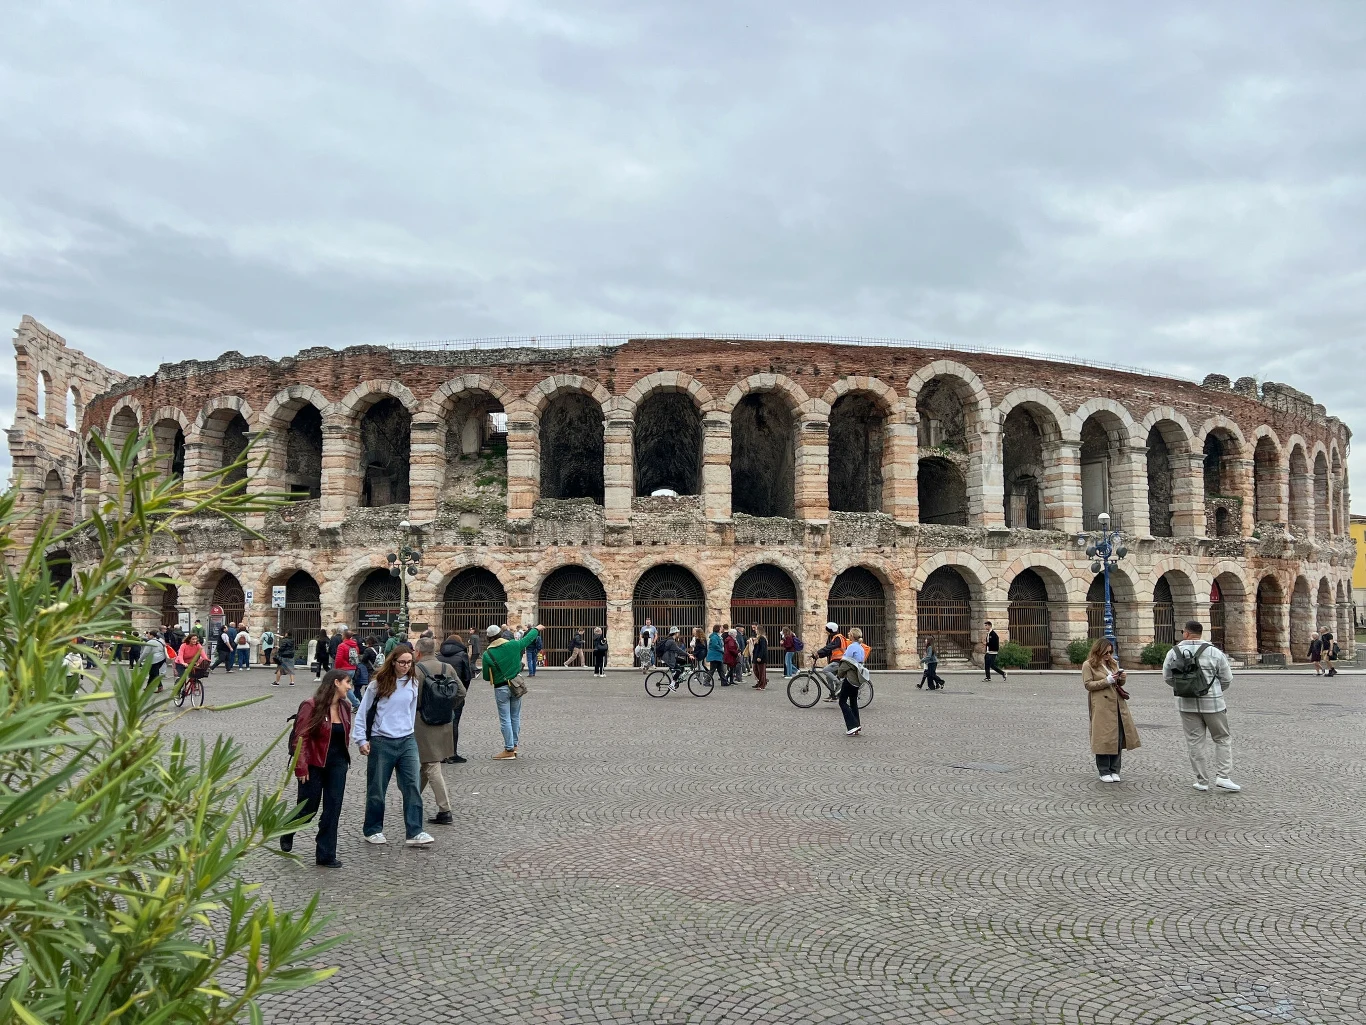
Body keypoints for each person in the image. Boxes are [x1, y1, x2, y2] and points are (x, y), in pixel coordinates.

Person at [351, 644, 433, 847]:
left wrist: (410, 732)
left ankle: (415, 831)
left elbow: (411, 711)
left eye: (409, 662)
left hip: (406, 740)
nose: (405, 666)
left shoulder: (413, 683)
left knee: (412, 786)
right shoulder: (377, 684)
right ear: (393, 662)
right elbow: (363, 713)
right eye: (402, 662)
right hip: (381, 741)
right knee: (377, 788)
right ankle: (373, 829)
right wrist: (361, 739)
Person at [283, 669, 354, 867]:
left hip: (338, 764)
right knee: (308, 809)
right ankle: (287, 829)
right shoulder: (311, 705)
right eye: (347, 682)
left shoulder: (345, 707)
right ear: (336, 683)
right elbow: (300, 737)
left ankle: (326, 854)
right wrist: (301, 766)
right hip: (313, 764)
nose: (350, 687)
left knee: (333, 809)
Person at [1163, 620, 1240, 793]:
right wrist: (1215, 691)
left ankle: (1202, 781)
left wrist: (1184, 689)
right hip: (1213, 703)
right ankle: (1223, 776)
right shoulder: (1214, 652)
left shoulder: (1173, 652)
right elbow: (1227, 679)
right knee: (1222, 739)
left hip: (1186, 704)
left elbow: (1167, 677)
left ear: (1186, 633)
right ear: (1200, 633)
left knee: (1195, 742)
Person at [482, 622, 543, 758]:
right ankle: (514, 745)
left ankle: (508, 749)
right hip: (515, 685)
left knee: (505, 719)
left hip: (500, 688)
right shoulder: (513, 645)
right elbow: (527, 640)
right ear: (501, 634)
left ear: (489, 638)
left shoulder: (488, 654)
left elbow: (486, 676)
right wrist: (536, 629)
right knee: (515, 717)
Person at [1082, 638, 1140, 783]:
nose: (1108, 655)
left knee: (1118, 737)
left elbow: (1118, 682)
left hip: (1117, 705)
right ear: (1098, 651)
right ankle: (1104, 770)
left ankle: (1115, 769)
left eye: (1110, 652)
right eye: (1106, 652)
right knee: (1103, 738)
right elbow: (1088, 685)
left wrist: (1122, 678)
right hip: (1101, 705)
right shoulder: (1088, 665)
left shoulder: (1112, 663)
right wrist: (1106, 681)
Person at [413, 637, 456, 826]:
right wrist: (445, 707)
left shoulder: (416, 670)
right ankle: (412, 799)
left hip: (422, 723)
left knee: (431, 764)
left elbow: (411, 698)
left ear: (418, 652)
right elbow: (460, 692)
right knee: (425, 763)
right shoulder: (448, 668)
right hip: (444, 722)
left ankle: (445, 809)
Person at [437, 631, 474, 764]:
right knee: (454, 722)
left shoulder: (439, 656)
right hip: (456, 693)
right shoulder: (462, 655)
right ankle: (452, 753)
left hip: (439, 694)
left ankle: (440, 754)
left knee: (441, 723)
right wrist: (463, 692)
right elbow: (467, 676)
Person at [835, 627, 868, 736]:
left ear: (852, 636)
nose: (848, 635)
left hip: (850, 678)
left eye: (849, 634)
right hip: (858, 679)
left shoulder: (851, 647)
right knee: (853, 701)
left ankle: (852, 725)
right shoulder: (861, 648)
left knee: (842, 701)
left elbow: (845, 663)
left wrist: (839, 674)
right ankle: (857, 725)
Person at [814, 622, 849, 701]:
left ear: (830, 630)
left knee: (825, 670)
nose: (826, 632)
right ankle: (833, 695)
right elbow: (829, 651)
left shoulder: (838, 638)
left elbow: (829, 647)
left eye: (827, 630)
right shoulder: (835, 638)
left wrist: (818, 652)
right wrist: (819, 656)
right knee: (829, 677)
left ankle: (839, 683)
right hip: (837, 661)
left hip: (840, 661)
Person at [175, 632, 209, 697]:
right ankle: (177, 691)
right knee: (182, 678)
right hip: (180, 663)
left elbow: (203, 654)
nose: (195, 641)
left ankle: (193, 684)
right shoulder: (184, 645)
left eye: (196, 639)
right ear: (189, 639)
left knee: (195, 675)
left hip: (191, 662)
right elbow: (180, 655)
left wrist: (206, 660)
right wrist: (183, 663)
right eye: (193, 639)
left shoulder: (198, 645)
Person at [750, 625, 770, 690]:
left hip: (760, 657)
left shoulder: (762, 638)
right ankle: (762, 681)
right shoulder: (758, 638)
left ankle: (762, 684)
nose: (755, 631)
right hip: (756, 656)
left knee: (761, 671)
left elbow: (762, 649)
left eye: (756, 629)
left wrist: (759, 657)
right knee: (755, 669)